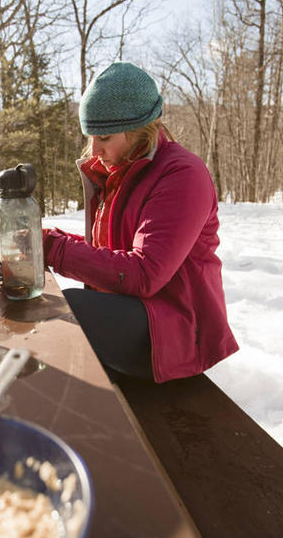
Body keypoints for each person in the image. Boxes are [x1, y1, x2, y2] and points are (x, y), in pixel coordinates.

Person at [42, 62, 238, 383]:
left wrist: (53, 249)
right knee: (50, 307)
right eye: (90, 135)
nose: (95, 149)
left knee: (69, 309)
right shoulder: (120, 170)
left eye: (104, 135)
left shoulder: (182, 175)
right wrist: (48, 239)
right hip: (135, 314)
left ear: (138, 129)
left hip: (175, 330)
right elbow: (108, 253)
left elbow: (144, 273)